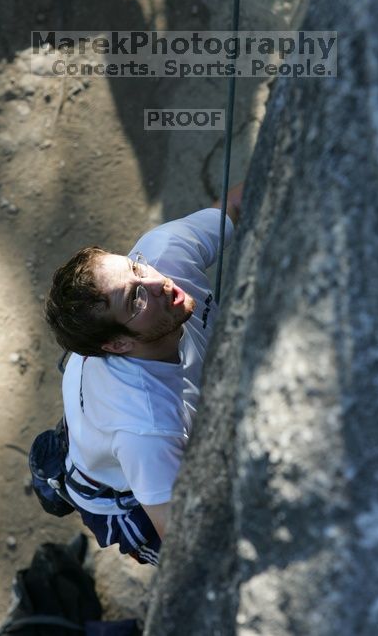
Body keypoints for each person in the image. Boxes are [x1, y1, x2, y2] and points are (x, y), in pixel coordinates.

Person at [44, 185, 243, 565]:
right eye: (135, 298)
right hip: (116, 494)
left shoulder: (161, 254)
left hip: (101, 404)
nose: (158, 283)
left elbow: (236, 203)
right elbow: (183, 544)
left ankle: (86, 442)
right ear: (117, 345)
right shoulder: (147, 430)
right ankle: (69, 473)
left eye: (134, 266)